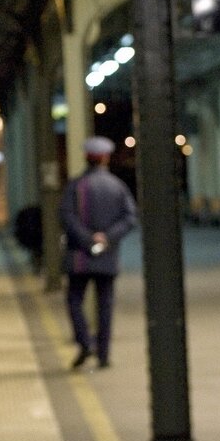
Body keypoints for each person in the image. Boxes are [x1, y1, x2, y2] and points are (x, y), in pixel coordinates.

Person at [60, 136, 137, 370]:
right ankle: (103, 355)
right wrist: (107, 237)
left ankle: (85, 341)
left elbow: (66, 217)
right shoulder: (117, 186)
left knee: (74, 300)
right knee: (105, 304)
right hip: (107, 256)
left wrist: (87, 239)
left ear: (86, 158)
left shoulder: (76, 186)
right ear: (106, 158)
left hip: (80, 257)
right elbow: (130, 218)